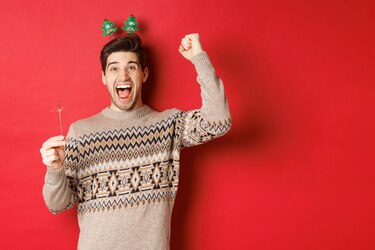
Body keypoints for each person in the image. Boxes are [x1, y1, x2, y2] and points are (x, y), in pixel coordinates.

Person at [39, 32, 232, 249]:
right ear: (103, 77)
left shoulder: (167, 125)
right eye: (113, 68)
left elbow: (219, 121)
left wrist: (198, 56)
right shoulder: (81, 132)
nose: (123, 76)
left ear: (144, 74)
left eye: (131, 67)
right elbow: (58, 205)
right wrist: (55, 169)